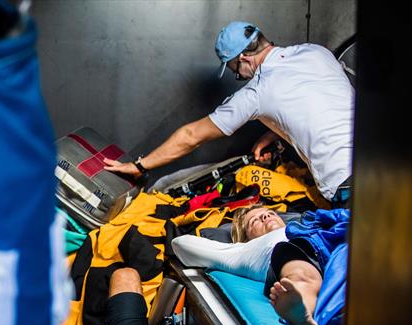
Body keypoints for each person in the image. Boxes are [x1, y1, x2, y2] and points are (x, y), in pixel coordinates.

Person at [104, 21, 354, 206]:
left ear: (244, 57)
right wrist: (274, 133)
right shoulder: (315, 52)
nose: (239, 76)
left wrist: (139, 165)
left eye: (235, 69)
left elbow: (191, 135)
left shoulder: (256, 92)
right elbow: (314, 99)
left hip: (345, 181)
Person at [172, 204, 349, 325]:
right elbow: (180, 244)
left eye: (270, 213)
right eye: (254, 221)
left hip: (334, 242)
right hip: (297, 252)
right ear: (246, 236)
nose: (265, 216)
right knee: (301, 274)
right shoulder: (240, 250)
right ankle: (303, 311)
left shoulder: (307, 223)